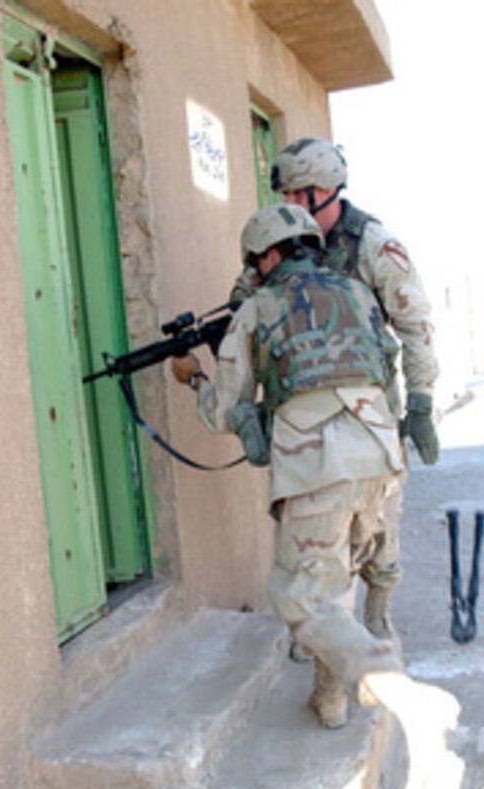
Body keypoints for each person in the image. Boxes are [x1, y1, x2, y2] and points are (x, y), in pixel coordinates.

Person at [171, 203, 451, 732]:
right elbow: (379, 373)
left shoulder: (259, 309)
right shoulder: (357, 292)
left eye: (255, 263)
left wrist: (192, 378)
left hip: (319, 469)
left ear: (272, 255)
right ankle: (329, 699)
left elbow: (219, 413)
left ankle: (384, 677)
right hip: (381, 459)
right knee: (336, 585)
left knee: (300, 594)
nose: (252, 274)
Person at [231, 138, 440, 652]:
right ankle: (325, 628)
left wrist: (420, 403)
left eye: (300, 196)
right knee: (308, 528)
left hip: (371, 409)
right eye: (285, 195)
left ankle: (377, 611)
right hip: (304, 419)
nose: (290, 206)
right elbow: (246, 305)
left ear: (327, 191)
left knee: (381, 530)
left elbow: (415, 325)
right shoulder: (282, 241)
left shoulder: (372, 244)